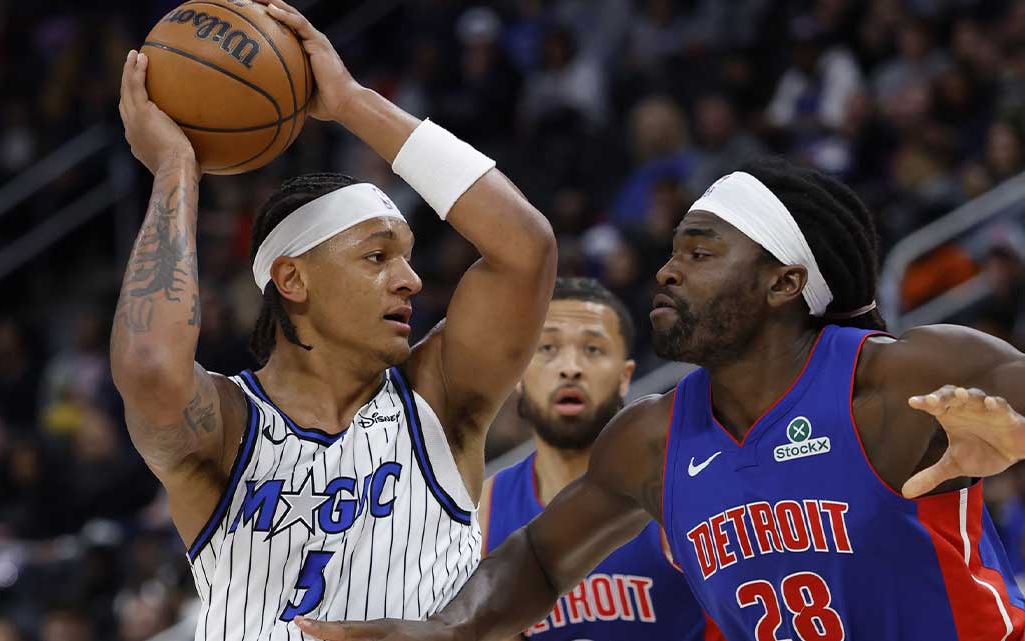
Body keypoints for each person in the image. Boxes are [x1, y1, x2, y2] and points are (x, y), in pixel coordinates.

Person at [297, 158, 1025, 641]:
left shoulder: (904, 378)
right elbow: (542, 562)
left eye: (701, 252)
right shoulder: (652, 439)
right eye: (674, 249)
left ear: (784, 283)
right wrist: (439, 631)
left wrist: (1018, 440)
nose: (668, 271)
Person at [112, 0, 556, 641]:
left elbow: (526, 248)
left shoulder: (440, 399)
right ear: (292, 279)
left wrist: (350, 102)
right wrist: (176, 168)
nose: (410, 279)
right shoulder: (228, 426)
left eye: (405, 255)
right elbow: (151, 362)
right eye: (377, 255)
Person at [480, 277, 715, 640]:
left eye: (592, 350)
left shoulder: (680, 490)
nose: (570, 368)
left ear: (625, 378)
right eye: (547, 349)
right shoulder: (482, 511)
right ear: (519, 377)